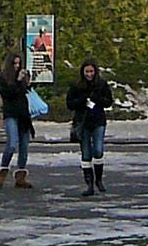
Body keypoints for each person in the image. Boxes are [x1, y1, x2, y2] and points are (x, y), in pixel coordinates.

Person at [65, 59, 114, 196]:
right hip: (83, 122)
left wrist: (96, 99)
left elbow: (108, 102)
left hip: (98, 121)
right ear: (83, 72)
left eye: (91, 71)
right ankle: (89, 184)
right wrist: (83, 100)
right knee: (86, 153)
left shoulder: (101, 85)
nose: (89, 74)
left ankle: (98, 179)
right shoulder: (76, 86)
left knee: (98, 150)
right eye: (87, 71)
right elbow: (70, 104)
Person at [0, 53, 35, 188]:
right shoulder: (2, 79)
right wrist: (17, 81)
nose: (17, 66)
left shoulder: (21, 78)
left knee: (24, 146)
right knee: (12, 143)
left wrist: (26, 82)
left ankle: (20, 176)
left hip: (23, 114)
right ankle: (3, 170)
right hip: (11, 113)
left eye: (19, 63)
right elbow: (8, 94)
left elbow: (26, 93)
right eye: (14, 64)